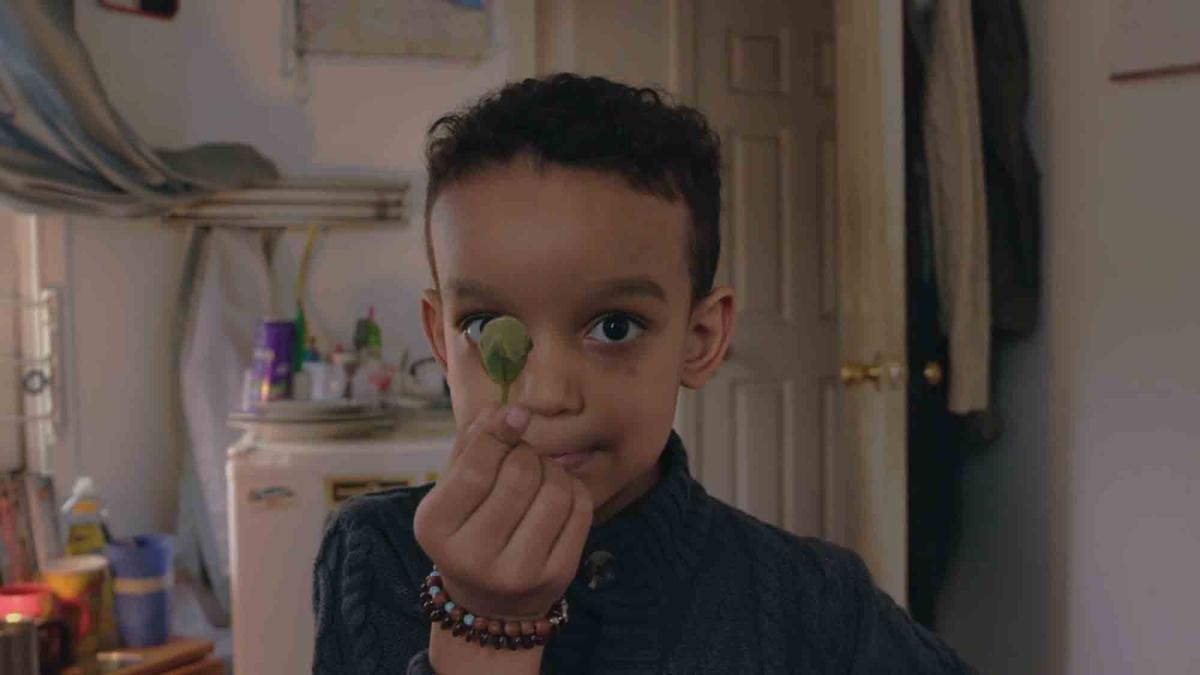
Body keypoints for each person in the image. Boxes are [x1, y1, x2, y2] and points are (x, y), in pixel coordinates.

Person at [313, 73, 972, 674]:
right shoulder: (376, 556)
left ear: (700, 338)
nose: (545, 394)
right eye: (488, 327)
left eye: (614, 327)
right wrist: (482, 626)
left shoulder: (812, 599)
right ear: (439, 337)